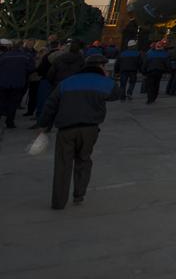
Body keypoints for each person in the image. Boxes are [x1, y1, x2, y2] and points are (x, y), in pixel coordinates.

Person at [37, 53, 120, 209]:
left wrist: (43, 125)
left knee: (62, 165)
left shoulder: (67, 82)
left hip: (66, 129)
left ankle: (58, 202)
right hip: (89, 129)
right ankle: (79, 195)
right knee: (83, 160)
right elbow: (116, 95)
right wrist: (107, 79)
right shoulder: (104, 82)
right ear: (101, 67)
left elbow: (50, 105)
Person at [0, 39, 35, 128]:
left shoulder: (4, 56)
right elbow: (31, 68)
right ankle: (10, 122)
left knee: (2, 101)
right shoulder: (25, 56)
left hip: (4, 82)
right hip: (18, 83)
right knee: (13, 103)